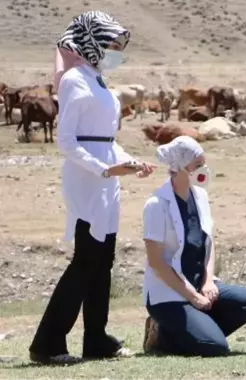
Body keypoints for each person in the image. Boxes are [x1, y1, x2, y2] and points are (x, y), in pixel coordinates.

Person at [29, 11, 157, 364]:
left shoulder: (100, 82)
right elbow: (68, 142)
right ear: (94, 44)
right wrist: (104, 169)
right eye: (112, 45)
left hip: (107, 179)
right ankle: (48, 343)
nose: (117, 52)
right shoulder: (74, 80)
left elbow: (106, 139)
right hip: (86, 179)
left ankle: (96, 339)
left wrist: (129, 162)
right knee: (86, 260)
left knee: (104, 260)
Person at [141, 136, 246, 357]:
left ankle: (192, 330)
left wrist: (208, 281)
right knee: (216, 348)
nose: (204, 169)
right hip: (169, 295)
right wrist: (193, 297)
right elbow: (156, 262)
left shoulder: (200, 196)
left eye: (203, 163)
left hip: (200, 285)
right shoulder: (156, 205)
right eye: (197, 165)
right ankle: (163, 335)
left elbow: (209, 242)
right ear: (180, 167)